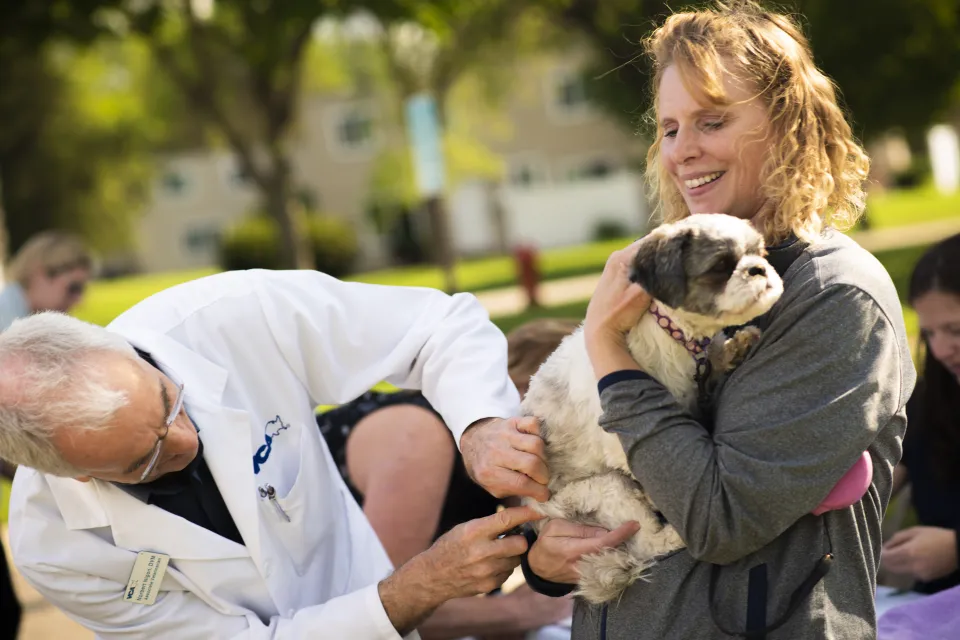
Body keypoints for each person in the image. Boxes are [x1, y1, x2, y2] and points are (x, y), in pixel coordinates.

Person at [461, 3, 915, 638]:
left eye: (713, 120)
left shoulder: (836, 298)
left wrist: (606, 345)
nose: (683, 150)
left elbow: (720, 518)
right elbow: (601, 466)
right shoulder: (675, 281)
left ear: (787, 124)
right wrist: (546, 556)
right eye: (670, 128)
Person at [0, 269, 555, 639]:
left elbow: (437, 326)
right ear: (73, 477)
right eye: (144, 459)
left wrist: (480, 424)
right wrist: (421, 585)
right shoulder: (55, 548)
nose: (187, 440)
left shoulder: (233, 314)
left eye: (170, 401)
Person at [317, 318, 581, 640]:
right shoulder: (418, 436)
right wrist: (518, 612)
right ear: (527, 387)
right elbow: (379, 611)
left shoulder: (494, 448)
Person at [0, 229, 91, 640]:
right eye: (72, 286)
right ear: (39, 273)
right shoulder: (7, 321)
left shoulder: (30, 321)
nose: (78, 300)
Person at [881, 233, 960, 594]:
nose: (942, 349)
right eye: (929, 333)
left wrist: (955, 550)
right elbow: (890, 471)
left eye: (954, 330)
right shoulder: (935, 396)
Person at [0, 230, 92, 330]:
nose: (79, 301)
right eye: (74, 288)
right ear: (39, 274)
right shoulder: (6, 325)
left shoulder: (19, 318)